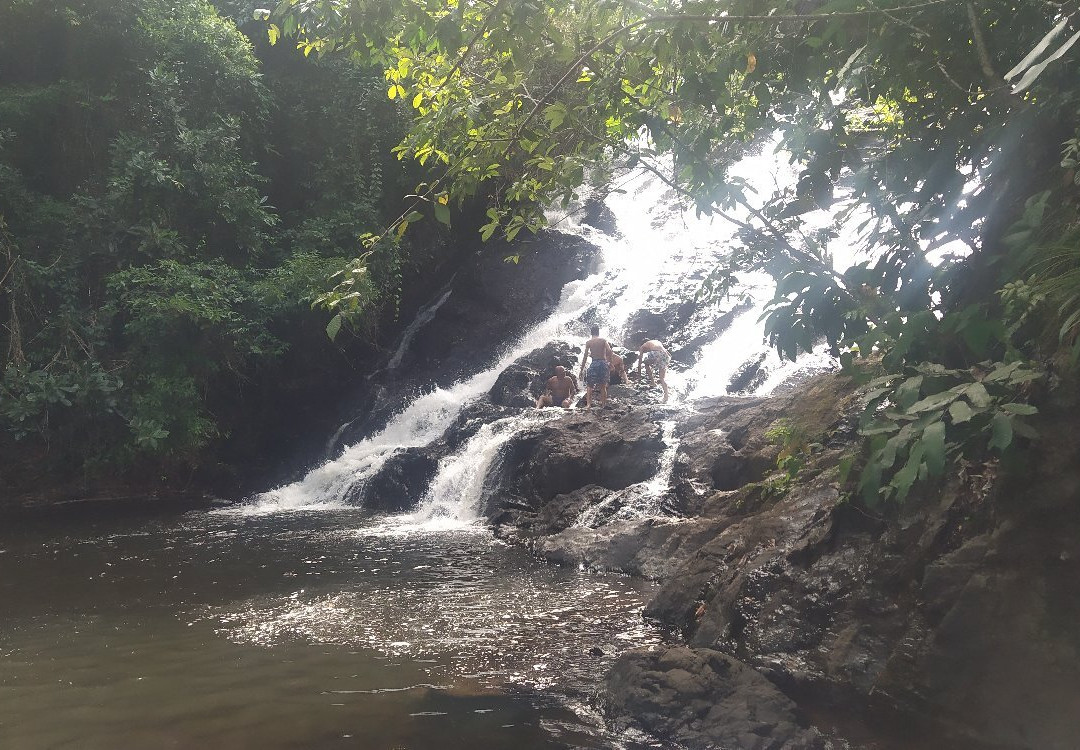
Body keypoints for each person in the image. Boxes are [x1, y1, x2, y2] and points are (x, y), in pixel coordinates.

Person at [579, 324, 613, 408]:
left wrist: (582, 369)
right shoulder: (603, 340)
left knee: (590, 385)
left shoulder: (589, 342)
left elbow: (585, 356)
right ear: (598, 332)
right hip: (603, 362)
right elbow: (610, 351)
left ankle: (588, 404)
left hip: (594, 363)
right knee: (603, 385)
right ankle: (603, 404)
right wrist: (610, 363)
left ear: (591, 333)